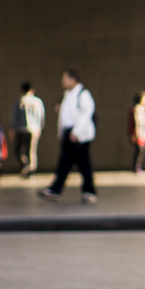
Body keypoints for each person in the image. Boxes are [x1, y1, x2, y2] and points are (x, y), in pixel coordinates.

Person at [40, 69, 97, 203]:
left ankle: (88, 191)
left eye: (64, 79)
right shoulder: (67, 95)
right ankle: (56, 190)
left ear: (72, 80)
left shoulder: (83, 94)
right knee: (65, 162)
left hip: (79, 135)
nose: (62, 82)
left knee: (83, 163)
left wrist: (76, 131)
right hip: (68, 133)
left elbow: (86, 113)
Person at [14, 82, 45, 178]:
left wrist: (13, 129)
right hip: (34, 129)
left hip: (21, 129)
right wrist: (40, 128)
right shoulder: (37, 101)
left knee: (18, 150)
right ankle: (31, 168)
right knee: (31, 150)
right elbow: (41, 116)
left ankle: (26, 166)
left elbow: (15, 117)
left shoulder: (20, 101)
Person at [128, 91, 145, 173]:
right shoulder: (135, 109)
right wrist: (133, 133)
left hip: (143, 132)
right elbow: (133, 122)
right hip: (138, 132)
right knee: (139, 149)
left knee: (141, 149)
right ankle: (136, 166)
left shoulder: (144, 109)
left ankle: (138, 165)